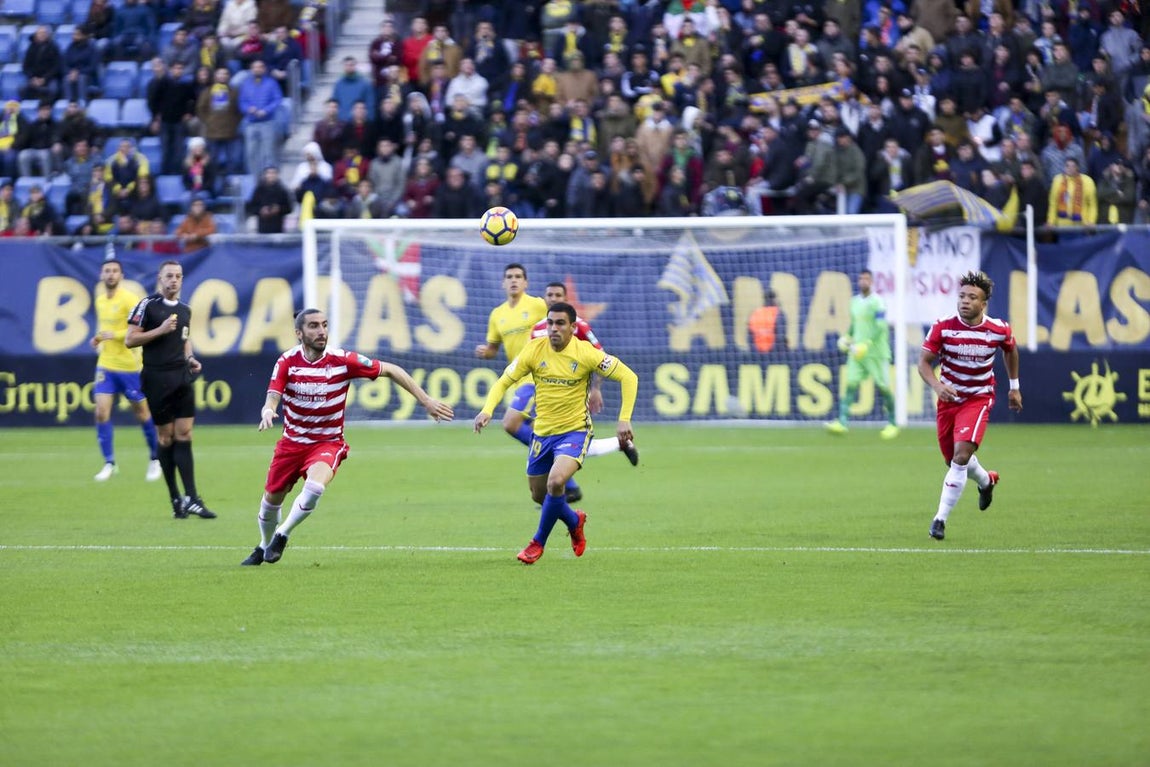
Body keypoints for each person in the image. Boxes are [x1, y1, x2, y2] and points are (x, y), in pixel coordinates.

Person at [242, 309, 454, 565]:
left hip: (327, 443)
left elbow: (391, 369)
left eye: (324, 325)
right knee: (270, 503)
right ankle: (264, 546)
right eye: (313, 326)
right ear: (299, 333)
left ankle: (282, 534)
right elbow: (274, 393)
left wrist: (426, 400)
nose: (321, 331)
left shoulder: (342, 360)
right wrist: (268, 409)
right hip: (291, 444)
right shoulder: (287, 361)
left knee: (315, 487)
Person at [473, 301, 638, 565]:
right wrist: (487, 409)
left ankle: (537, 543)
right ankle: (574, 520)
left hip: (574, 432)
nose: (553, 329)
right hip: (542, 434)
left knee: (555, 482)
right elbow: (505, 379)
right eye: (550, 323)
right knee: (539, 495)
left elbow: (629, 377)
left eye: (560, 323)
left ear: (573, 327)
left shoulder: (586, 353)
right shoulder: (534, 349)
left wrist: (624, 419)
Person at [918, 271, 1022, 541]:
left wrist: (1014, 387)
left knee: (960, 456)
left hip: (978, 398)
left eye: (972, 297)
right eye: (962, 296)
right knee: (951, 460)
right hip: (948, 400)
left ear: (983, 303)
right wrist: (938, 387)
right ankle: (987, 481)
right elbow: (923, 363)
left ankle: (939, 520)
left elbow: (1010, 349)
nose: (965, 301)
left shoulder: (998, 329)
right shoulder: (943, 326)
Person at [125, 260, 216, 520]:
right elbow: (130, 339)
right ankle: (175, 497)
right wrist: (160, 330)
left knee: (185, 434)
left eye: (178, 276)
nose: (174, 280)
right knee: (166, 438)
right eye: (169, 276)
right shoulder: (147, 306)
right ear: (160, 278)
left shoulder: (185, 310)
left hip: (181, 377)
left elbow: (184, 341)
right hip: (156, 378)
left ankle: (193, 498)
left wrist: (191, 358)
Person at [527, 281, 640, 482]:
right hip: (548, 396)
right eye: (549, 295)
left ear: (566, 300)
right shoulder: (537, 330)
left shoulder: (579, 327)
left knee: (572, 441)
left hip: (576, 392)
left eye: (558, 296)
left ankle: (560, 488)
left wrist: (596, 388)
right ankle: (617, 445)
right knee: (558, 443)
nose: (553, 299)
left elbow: (599, 357)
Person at [91, 259, 161, 482]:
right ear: (102, 275)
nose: (110, 275)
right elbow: (105, 328)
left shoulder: (130, 299)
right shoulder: (101, 300)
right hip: (106, 364)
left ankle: (154, 458)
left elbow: (140, 328)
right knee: (101, 412)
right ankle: (109, 463)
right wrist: (99, 338)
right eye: (107, 271)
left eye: (114, 271)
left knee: (142, 413)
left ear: (121, 275)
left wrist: (116, 335)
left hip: (130, 367)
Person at [826, 269, 898, 439]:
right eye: (861, 279)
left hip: (876, 353)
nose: (863, 281)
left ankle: (893, 423)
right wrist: (847, 337)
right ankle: (842, 422)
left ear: (871, 281)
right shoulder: (854, 302)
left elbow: (881, 327)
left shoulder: (878, 302)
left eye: (866, 279)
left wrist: (867, 344)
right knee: (851, 383)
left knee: (883, 386)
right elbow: (854, 325)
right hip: (857, 353)